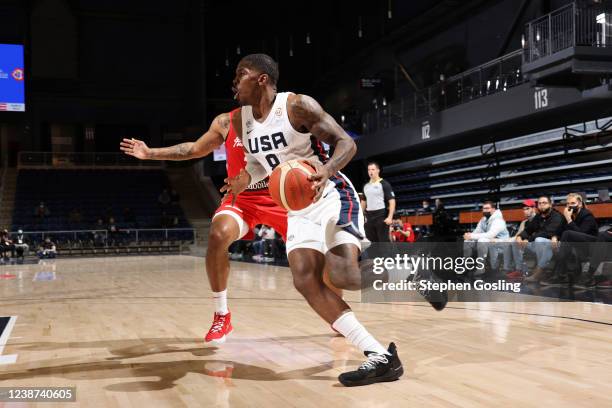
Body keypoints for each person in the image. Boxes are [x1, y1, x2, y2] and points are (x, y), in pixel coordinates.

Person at [222, 53, 418, 386]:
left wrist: (326, 171)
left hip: (328, 193)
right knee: (304, 280)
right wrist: (244, 178)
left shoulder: (297, 106)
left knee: (344, 275)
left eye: (241, 74)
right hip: (297, 207)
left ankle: (414, 270)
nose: (233, 81)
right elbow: (260, 163)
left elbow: (346, 144)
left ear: (261, 79)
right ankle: (380, 357)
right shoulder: (242, 120)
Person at [120, 104, 341, 345]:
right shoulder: (226, 122)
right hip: (242, 199)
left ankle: (337, 315)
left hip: (282, 198)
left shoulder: (283, 116)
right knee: (218, 235)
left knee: (325, 258)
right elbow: (193, 149)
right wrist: (150, 153)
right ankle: (222, 315)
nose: (238, 87)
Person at [541, 193, 598, 286]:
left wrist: (569, 219)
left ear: (579, 204)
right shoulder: (569, 214)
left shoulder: (587, 215)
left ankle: (558, 274)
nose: (569, 206)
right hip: (576, 245)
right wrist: (555, 237)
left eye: (572, 203)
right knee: (564, 239)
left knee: (567, 234)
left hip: (591, 245)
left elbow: (581, 234)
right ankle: (559, 274)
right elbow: (559, 230)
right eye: (567, 203)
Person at [517, 196, 566, 283]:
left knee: (539, 240)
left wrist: (528, 239)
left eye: (544, 203)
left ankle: (538, 273)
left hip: (556, 245)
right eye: (539, 203)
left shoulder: (557, 216)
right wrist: (520, 237)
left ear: (550, 205)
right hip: (541, 245)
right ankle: (518, 270)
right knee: (515, 241)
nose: (542, 205)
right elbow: (528, 230)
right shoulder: (538, 216)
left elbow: (547, 233)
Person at [463, 201, 510, 276]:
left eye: (487, 208)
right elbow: (476, 232)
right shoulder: (483, 220)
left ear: (493, 209)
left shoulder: (498, 220)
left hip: (502, 242)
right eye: (483, 208)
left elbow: (490, 235)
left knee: (482, 240)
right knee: (468, 241)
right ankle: (467, 266)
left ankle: (480, 268)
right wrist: (469, 235)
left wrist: (472, 236)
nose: (485, 210)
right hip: (490, 241)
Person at [503, 199, 538, 280]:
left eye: (528, 208)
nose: (525, 211)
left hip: (536, 245)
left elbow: (539, 235)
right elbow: (517, 236)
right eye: (524, 209)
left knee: (515, 242)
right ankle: (507, 269)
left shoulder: (538, 219)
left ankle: (519, 270)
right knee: (509, 242)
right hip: (525, 245)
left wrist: (526, 239)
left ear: (533, 208)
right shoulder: (524, 222)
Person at [362, 162, 395, 242]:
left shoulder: (384, 184)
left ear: (378, 171)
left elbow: (392, 201)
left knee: (383, 242)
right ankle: (374, 255)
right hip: (369, 217)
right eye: (369, 170)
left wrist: (390, 217)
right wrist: (361, 216)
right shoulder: (366, 186)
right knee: (371, 242)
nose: (370, 171)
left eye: (373, 169)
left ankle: (386, 255)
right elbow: (363, 201)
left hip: (381, 215)